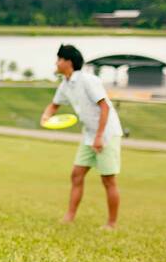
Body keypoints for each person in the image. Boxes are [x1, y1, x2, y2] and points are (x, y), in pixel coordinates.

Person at [41, 44, 123, 229]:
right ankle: (69, 217)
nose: (56, 63)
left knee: (108, 179)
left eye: (59, 59)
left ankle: (111, 223)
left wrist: (100, 137)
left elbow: (105, 107)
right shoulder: (65, 84)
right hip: (89, 135)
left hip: (106, 134)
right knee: (76, 175)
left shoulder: (88, 80)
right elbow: (54, 105)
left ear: (68, 62)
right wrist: (46, 116)